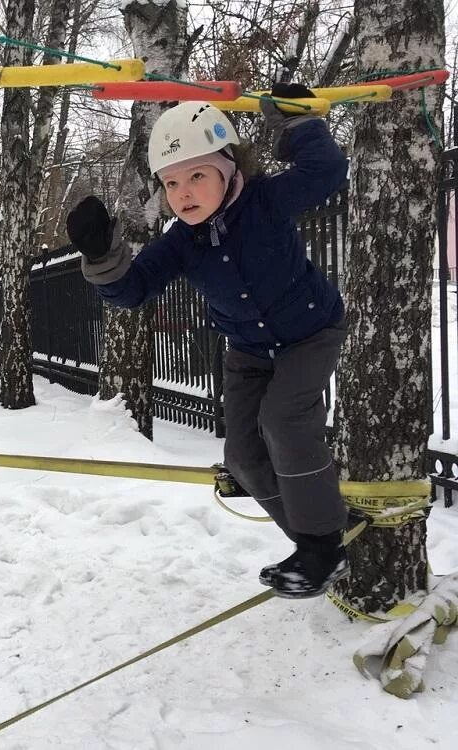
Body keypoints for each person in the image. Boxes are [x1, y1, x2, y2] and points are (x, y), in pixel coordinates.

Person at [67, 85, 349, 599]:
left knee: (283, 421)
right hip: (246, 350)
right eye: (172, 183)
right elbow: (133, 289)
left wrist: (299, 122)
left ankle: (322, 542)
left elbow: (325, 173)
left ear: (229, 169)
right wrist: (101, 253)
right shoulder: (182, 240)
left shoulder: (264, 200)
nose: (185, 193)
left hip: (309, 332)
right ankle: (315, 542)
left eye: (198, 175)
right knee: (242, 456)